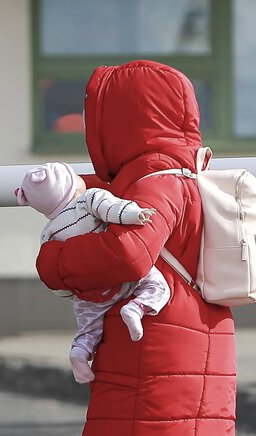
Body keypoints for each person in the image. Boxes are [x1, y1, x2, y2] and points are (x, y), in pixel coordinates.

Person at [33, 60, 235, 436]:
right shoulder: (186, 173)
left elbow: (130, 250)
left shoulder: (155, 179)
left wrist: (54, 261)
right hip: (197, 346)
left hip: (154, 352)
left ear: (114, 123)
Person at [15, 160, 170, 383]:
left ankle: (79, 354)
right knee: (158, 285)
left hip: (90, 294)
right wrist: (136, 213)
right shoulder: (87, 199)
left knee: (89, 328)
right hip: (122, 280)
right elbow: (113, 210)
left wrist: (76, 295)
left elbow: (58, 277)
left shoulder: (48, 232)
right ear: (72, 188)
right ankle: (137, 308)